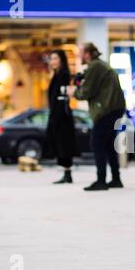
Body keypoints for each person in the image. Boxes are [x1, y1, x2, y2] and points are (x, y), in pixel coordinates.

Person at [67, 42, 126, 191]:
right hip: (115, 109)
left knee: (97, 143)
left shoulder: (95, 66)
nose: (79, 56)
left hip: (107, 110)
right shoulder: (99, 65)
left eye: (80, 52)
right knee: (108, 145)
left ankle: (101, 180)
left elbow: (87, 92)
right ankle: (116, 178)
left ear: (87, 53)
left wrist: (73, 92)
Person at [45, 50, 79, 184]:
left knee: (64, 145)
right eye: (51, 59)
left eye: (54, 58)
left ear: (61, 60)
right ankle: (66, 173)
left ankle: (67, 173)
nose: (52, 61)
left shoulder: (63, 75)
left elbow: (61, 97)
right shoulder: (57, 74)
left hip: (61, 116)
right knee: (61, 145)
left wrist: (56, 115)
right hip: (57, 114)